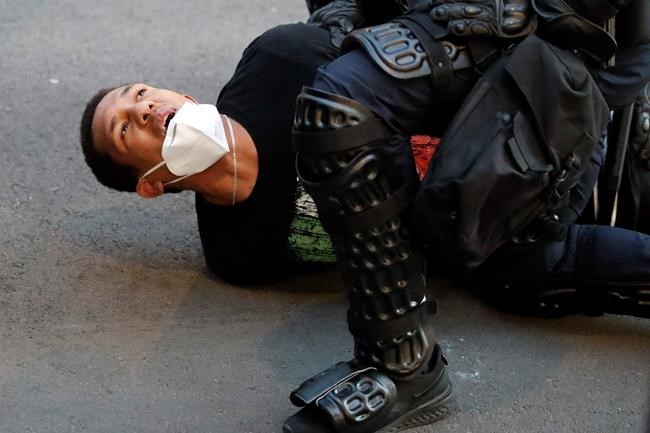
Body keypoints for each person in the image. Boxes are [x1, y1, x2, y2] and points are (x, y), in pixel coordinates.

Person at [80, 1, 649, 432]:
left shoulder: (278, 62)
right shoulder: (238, 252)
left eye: (142, 92)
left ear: (178, 91)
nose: (147, 107)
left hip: (531, 129)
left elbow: (391, 33)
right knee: (510, 271)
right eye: (125, 126)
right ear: (149, 186)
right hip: (515, 216)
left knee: (344, 113)